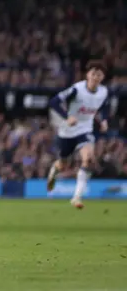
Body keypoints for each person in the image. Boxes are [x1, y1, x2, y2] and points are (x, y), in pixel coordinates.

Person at [47, 60, 109, 209]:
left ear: (102, 77)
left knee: (87, 159)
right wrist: (66, 117)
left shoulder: (103, 91)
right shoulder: (77, 89)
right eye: (93, 73)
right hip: (67, 131)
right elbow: (54, 101)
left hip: (85, 130)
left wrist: (104, 120)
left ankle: (76, 197)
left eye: (99, 75)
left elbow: (104, 105)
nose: (96, 77)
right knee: (63, 165)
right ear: (87, 75)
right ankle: (54, 171)